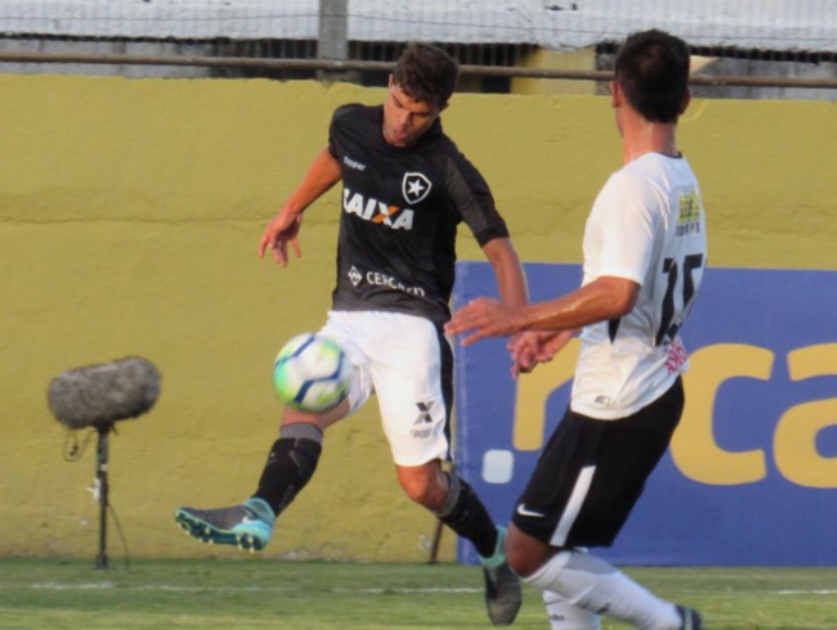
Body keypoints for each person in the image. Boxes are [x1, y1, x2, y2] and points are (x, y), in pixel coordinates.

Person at [174, 42, 528, 626]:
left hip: (414, 328)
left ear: (439, 110)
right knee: (303, 404)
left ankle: (494, 553)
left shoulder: (449, 169)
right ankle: (260, 510)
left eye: (417, 113)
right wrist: (291, 209)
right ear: (388, 84)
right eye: (396, 103)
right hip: (349, 316)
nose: (401, 121)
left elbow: (503, 252)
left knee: (420, 486)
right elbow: (337, 156)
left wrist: (520, 323)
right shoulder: (352, 123)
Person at [445, 29, 706, 630]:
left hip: (619, 401)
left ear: (613, 93)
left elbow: (619, 291)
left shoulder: (633, 189)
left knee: (526, 551)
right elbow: (633, 291)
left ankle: (671, 624)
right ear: (686, 99)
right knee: (554, 544)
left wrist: (517, 316)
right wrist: (561, 332)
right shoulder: (679, 179)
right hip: (648, 384)